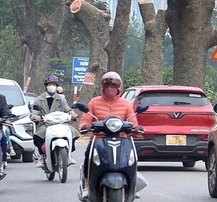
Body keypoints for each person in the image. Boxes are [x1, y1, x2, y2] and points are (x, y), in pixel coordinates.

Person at [78, 72, 139, 201]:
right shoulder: (94, 102)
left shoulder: (125, 103)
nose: (110, 88)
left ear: (119, 88)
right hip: (99, 139)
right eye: (107, 86)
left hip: (122, 139)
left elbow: (132, 119)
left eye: (113, 86)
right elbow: (86, 118)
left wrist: (136, 127)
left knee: (130, 160)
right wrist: (85, 125)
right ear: (103, 87)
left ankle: (132, 184)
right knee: (88, 158)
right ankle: (87, 185)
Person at [30, 75, 74, 167]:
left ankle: (68, 154)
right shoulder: (39, 99)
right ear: (46, 86)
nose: (52, 86)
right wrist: (36, 117)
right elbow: (34, 112)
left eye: (54, 84)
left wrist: (72, 114)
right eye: (50, 84)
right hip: (45, 124)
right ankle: (41, 156)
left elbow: (67, 109)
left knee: (72, 132)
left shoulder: (61, 98)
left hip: (60, 124)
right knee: (39, 134)